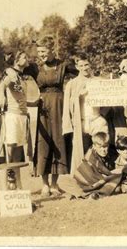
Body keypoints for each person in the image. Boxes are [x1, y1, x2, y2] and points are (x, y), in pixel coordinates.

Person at [33, 35, 78, 197]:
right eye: (39, 52)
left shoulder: (63, 65)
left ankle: (54, 184)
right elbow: (16, 71)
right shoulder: (35, 68)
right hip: (42, 108)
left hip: (60, 106)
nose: (41, 54)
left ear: (52, 50)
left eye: (44, 51)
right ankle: (44, 185)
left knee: (59, 141)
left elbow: (81, 71)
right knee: (43, 142)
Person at [0, 50, 39, 190]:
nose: (27, 59)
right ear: (17, 60)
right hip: (12, 115)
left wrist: (35, 103)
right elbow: (1, 86)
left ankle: (17, 184)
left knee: (18, 150)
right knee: (10, 147)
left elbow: (21, 99)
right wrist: (0, 96)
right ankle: (8, 177)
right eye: (24, 57)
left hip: (22, 115)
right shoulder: (10, 72)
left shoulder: (22, 76)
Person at [62, 53, 108, 176]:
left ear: (90, 64)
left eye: (86, 64)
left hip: (96, 118)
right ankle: (84, 176)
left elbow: (110, 97)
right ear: (77, 67)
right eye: (81, 65)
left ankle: (100, 173)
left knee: (101, 147)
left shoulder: (98, 81)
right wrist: (78, 95)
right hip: (81, 121)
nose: (84, 68)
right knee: (82, 149)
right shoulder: (72, 84)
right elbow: (68, 103)